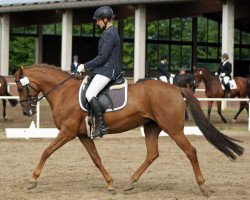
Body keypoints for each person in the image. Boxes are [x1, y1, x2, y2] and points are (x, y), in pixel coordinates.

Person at [77, 6, 121, 139]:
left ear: (106, 19)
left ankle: (101, 126)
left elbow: (102, 58)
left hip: (108, 70)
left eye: (98, 20)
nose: (97, 23)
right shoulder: (108, 33)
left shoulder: (111, 34)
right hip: (103, 69)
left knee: (90, 93)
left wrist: (85, 66)